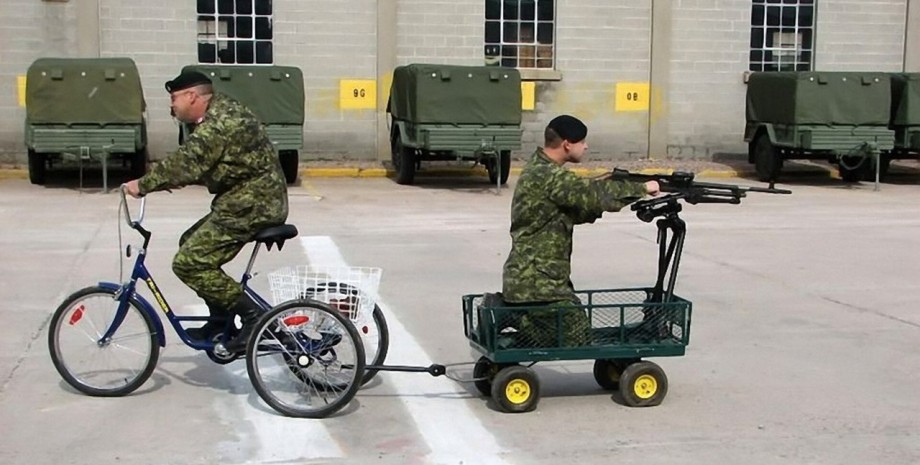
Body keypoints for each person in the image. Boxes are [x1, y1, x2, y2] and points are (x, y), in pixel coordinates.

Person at [122, 70, 289, 352]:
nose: (172, 106)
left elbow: (187, 163)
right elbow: (207, 164)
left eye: (174, 98)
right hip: (246, 201)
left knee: (189, 263)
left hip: (253, 205)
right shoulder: (220, 112)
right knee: (189, 242)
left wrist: (143, 184)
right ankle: (220, 320)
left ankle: (254, 318)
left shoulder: (219, 122)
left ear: (192, 96)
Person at [501, 115, 659, 347]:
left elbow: (577, 202)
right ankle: (509, 318)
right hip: (537, 283)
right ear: (567, 144)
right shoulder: (549, 176)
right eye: (582, 141)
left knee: (577, 330)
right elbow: (592, 196)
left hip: (537, 278)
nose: (586, 146)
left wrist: (605, 186)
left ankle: (516, 317)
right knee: (574, 338)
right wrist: (643, 188)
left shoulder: (540, 169)